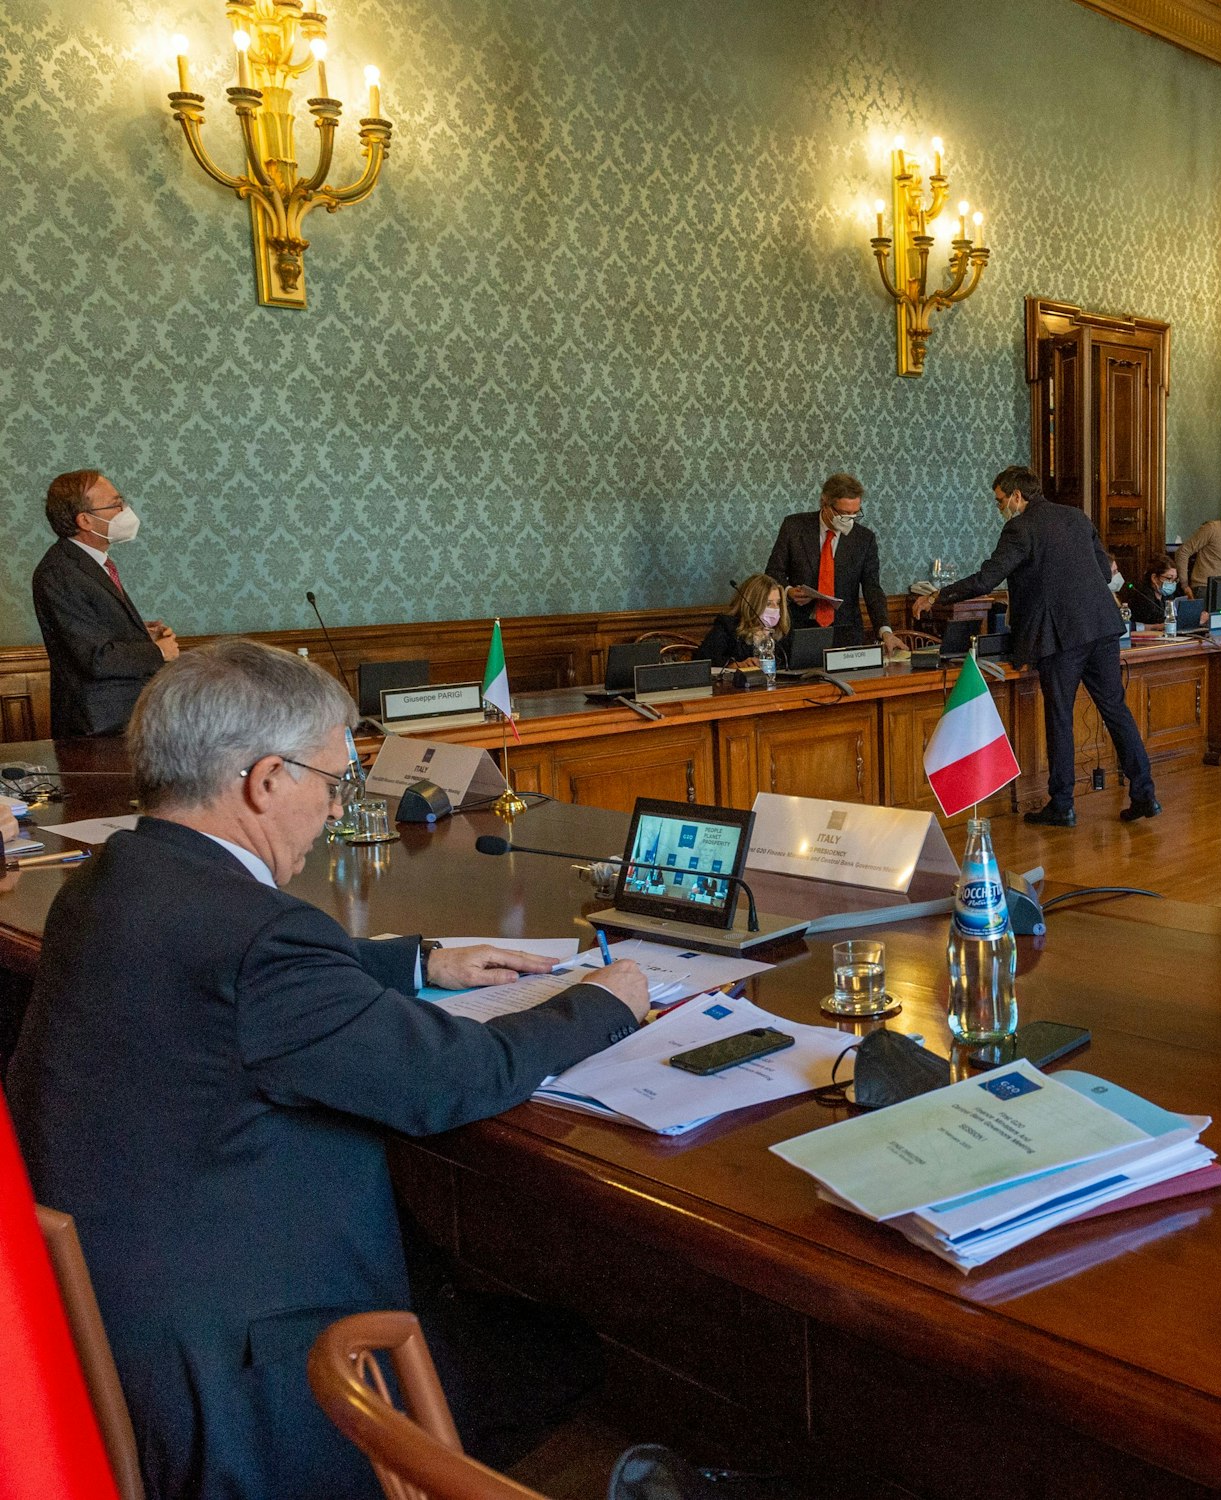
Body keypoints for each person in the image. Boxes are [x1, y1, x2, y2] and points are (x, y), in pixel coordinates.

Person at [7, 640, 652, 1500]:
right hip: (254, 1388)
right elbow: (449, 1081)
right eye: (333, 781)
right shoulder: (259, 938)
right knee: (565, 1350)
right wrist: (609, 1000)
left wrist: (419, 963)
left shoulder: (109, 880)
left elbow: (236, 982)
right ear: (265, 780)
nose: (334, 806)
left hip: (110, 1340)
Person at [913, 467, 1158, 827]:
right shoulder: (1075, 516)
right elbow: (1105, 573)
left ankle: (1061, 804)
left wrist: (938, 595)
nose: (999, 507)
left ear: (1016, 496)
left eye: (1000, 500)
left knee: (1060, 716)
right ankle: (1145, 794)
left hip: (1060, 636)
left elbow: (986, 578)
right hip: (1102, 627)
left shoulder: (1020, 527)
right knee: (1116, 711)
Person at [31, 470, 180, 737]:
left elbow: (93, 630)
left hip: (121, 719)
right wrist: (158, 652)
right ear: (85, 520)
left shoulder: (90, 563)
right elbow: (95, 658)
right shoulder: (60, 571)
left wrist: (140, 634)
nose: (124, 510)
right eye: (115, 504)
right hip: (98, 726)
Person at [762, 474, 905, 654]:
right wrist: (789, 591)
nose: (849, 519)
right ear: (825, 504)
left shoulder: (864, 539)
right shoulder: (794, 526)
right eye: (844, 513)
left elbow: (872, 588)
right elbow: (773, 572)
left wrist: (885, 631)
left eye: (855, 513)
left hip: (846, 630)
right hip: (800, 627)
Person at [699, 574, 789, 669]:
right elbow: (704, 662)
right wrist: (735, 665)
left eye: (778, 603)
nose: (775, 608)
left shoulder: (783, 630)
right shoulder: (728, 627)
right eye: (768, 604)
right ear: (752, 604)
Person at [1124, 557, 1181, 627]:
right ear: (1154, 578)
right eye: (1169, 578)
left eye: (1174, 579)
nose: (1172, 583)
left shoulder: (1168, 595)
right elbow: (1153, 619)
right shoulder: (1142, 595)